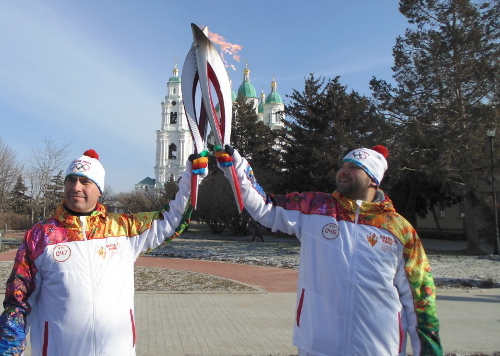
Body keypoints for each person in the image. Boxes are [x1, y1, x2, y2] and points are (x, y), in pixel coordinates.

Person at [216, 145, 442, 356]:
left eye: (354, 168)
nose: (343, 171)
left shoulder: (399, 229)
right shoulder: (315, 208)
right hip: (317, 344)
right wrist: (237, 169)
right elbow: (265, 207)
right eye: (342, 166)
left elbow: (419, 295)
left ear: (373, 179)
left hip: (379, 346)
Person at [0, 149, 208, 356]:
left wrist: (191, 180)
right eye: (70, 180)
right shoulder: (40, 236)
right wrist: (9, 350)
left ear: (99, 190)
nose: (76, 187)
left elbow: (172, 219)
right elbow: (17, 300)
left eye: (85, 181)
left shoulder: (123, 229)